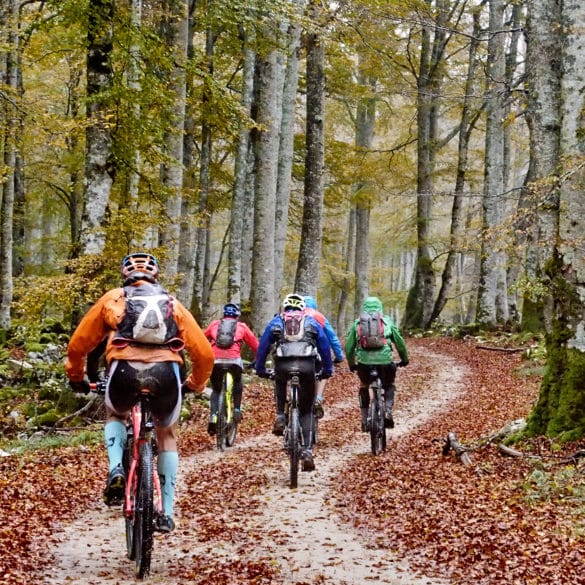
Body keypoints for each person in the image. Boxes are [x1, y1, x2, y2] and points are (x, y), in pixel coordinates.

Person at [65, 252, 214, 533]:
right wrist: (195, 383)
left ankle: (116, 469)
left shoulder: (114, 298)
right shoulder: (172, 304)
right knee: (167, 434)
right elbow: (204, 353)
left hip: (124, 372)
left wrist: (77, 377)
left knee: (116, 414)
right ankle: (167, 512)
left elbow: (78, 345)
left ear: (126, 274)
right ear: (155, 276)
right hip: (166, 374)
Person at [254, 293, 333, 472]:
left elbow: (263, 347)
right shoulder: (311, 322)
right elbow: (324, 348)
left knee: (280, 381)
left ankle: (281, 415)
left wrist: (260, 369)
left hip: (283, 365)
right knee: (306, 409)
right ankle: (306, 451)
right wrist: (327, 369)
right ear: (302, 308)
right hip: (307, 367)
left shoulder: (277, 322)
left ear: (285, 307)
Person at [344, 296, 408, 431]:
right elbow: (400, 342)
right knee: (389, 384)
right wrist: (404, 359)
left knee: (364, 385)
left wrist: (351, 364)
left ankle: (364, 417)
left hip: (364, 364)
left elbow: (349, 347)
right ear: (380, 308)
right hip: (385, 362)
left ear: (364, 308)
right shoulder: (386, 321)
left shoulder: (358, 323)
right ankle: (388, 410)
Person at [203, 302, 259, 435]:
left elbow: (202, 340)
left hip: (215, 361)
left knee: (216, 390)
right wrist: (256, 361)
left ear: (224, 314)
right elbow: (256, 346)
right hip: (234, 361)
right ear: (237, 315)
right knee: (238, 381)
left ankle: (213, 416)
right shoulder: (242, 327)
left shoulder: (214, 325)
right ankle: (237, 409)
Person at [303, 295, 344, 419]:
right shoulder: (318, 316)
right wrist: (339, 356)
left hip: (291, 356)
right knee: (323, 373)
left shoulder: (291, 316)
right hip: (314, 355)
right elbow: (332, 338)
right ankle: (318, 398)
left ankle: (290, 398)